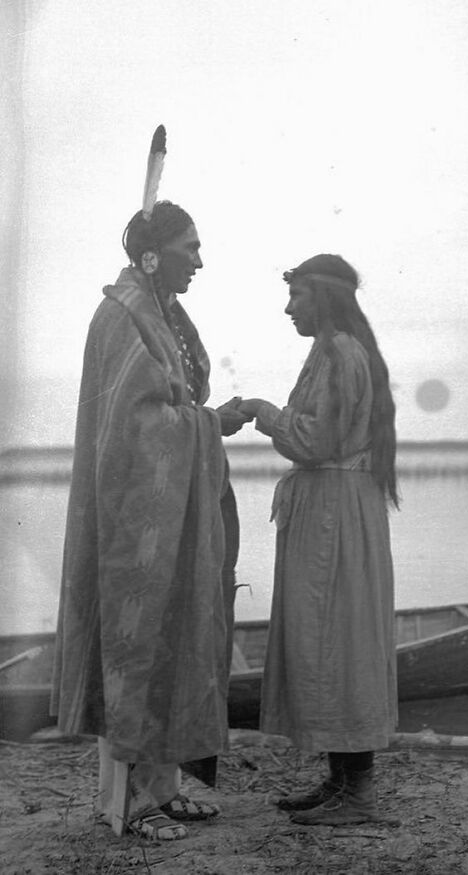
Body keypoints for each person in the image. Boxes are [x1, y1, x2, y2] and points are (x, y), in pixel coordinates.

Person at [51, 192, 250, 841]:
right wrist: (207, 423)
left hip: (170, 516)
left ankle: (161, 790)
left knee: (173, 639)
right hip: (132, 521)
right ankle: (127, 803)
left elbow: (176, 399)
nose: (200, 260)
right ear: (155, 253)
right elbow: (135, 426)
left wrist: (198, 419)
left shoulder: (159, 317)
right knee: (134, 646)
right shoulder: (121, 318)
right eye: (191, 248)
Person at [236, 254, 399, 826]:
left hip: (335, 518)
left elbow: (314, 441)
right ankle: (341, 782)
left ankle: (359, 795)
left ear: (323, 298)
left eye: (297, 295)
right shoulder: (337, 350)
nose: (288, 307)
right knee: (330, 641)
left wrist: (260, 410)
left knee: (340, 643)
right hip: (334, 514)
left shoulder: (338, 353)